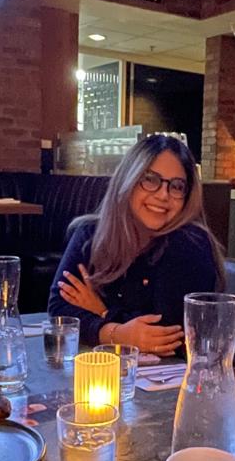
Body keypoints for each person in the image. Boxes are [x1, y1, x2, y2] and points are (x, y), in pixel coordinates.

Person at [48, 133, 223, 354]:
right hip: (104, 370)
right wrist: (118, 332)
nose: (163, 194)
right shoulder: (90, 234)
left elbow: (166, 335)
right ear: (128, 180)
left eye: (177, 186)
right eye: (150, 179)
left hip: (172, 379)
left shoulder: (190, 243)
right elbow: (58, 310)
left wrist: (103, 313)